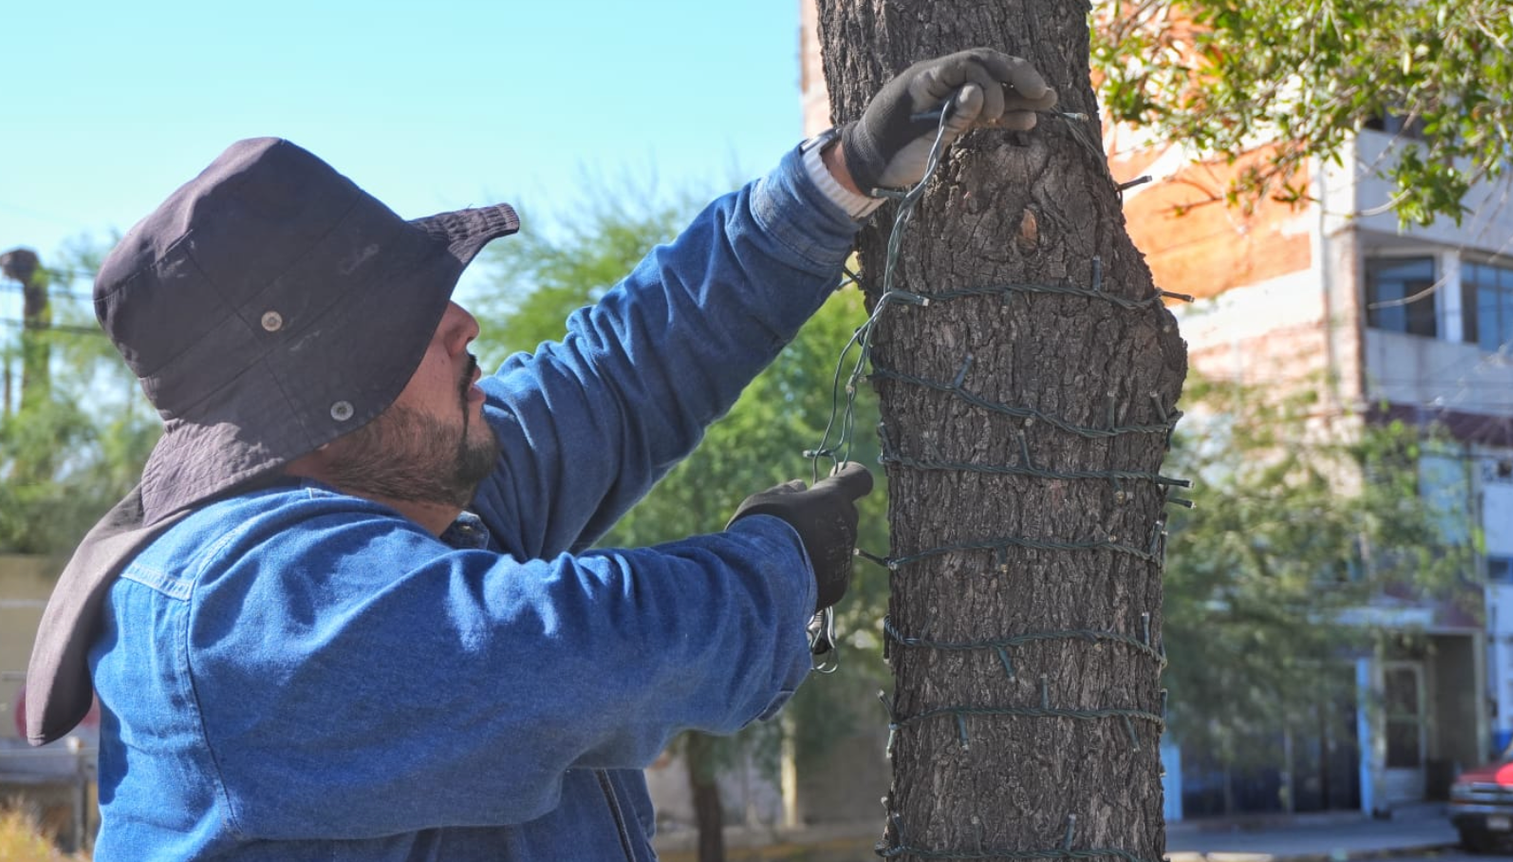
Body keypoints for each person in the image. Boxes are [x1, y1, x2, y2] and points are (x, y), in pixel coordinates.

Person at [25, 49, 1056, 860]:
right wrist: (773, 571)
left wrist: (839, 180)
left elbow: (621, 373)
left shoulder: (406, 485)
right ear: (319, 408)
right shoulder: (239, 608)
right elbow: (552, 656)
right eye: (401, 326)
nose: (461, 322)